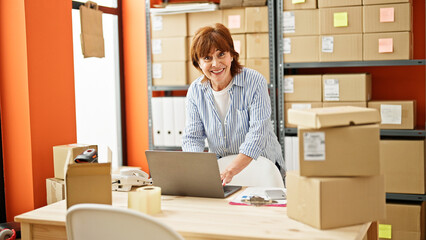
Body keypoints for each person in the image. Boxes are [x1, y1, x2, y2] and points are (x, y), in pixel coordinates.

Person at [182, 23, 284, 185]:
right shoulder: (195, 91)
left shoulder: (254, 81)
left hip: (262, 167)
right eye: (207, 58)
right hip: (222, 172)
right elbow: (193, 137)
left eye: (221, 54)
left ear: (231, 55)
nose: (215, 64)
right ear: (198, 63)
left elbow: (258, 134)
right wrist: (197, 169)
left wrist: (232, 169)